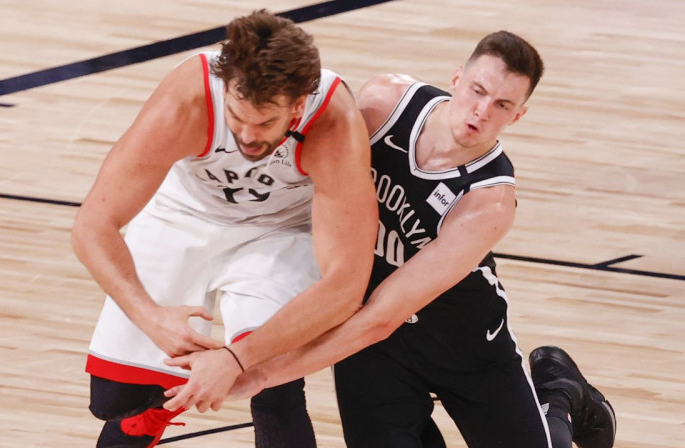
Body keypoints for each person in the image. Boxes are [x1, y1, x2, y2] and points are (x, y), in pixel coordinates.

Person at [167, 31, 616, 448]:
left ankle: (558, 391)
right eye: (478, 91)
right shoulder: (385, 103)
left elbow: (383, 315)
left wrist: (257, 372)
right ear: (457, 79)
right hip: (374, 348)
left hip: (462, 343)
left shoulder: (489, 201)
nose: (482, 111)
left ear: (518, 115)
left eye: (501, 105)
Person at [71, 9, 377, 448]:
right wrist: (150, 317)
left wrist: (237, 358)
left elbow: (346, 285)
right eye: (237, 115)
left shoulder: (335, 124)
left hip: (281, 229)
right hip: (183, 213)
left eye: (265, 122)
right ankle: (154, 405)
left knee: (272, 386)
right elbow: (91, 225)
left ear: (298, 105)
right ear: (226, 86)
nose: (248, 136)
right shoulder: (188, 100)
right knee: (118, 400)